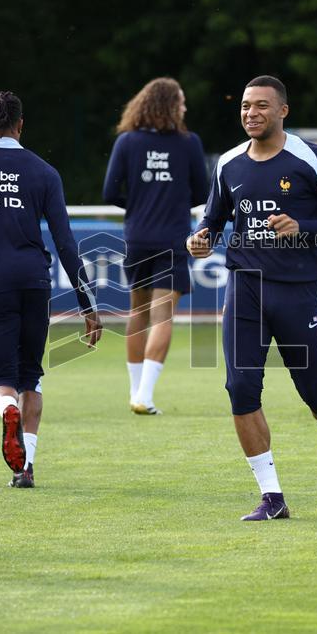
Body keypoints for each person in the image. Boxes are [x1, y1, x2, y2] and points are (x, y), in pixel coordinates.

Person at [187, 75, 317, 521]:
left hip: (299, 292)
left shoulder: (311, 158)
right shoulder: (228, 163)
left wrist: (303, 228)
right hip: (244, 287)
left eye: (261, 105)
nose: (251, 113)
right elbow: (212, 221)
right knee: (240, 388)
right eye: (246, 106)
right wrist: (200, 240)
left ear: (283, 110)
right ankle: (272, 497)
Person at [0, 91, 102, 489]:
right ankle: (25, 466)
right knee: (31, 376)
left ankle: (7, 408)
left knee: (1, 380)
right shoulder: (44, 172)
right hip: (35, 280)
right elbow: (66, 242)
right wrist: (88, 305)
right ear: (20, 125)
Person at [102, 77, 208, 415]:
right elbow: (202, 194)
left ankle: (136, 393)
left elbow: (110, 192)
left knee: (138, 313)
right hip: (173, 239)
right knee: (163, 317)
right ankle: (144, 396)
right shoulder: (188, 143)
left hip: (137, 238)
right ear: (170, 105)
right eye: (182, 102)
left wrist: (140, 202)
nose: (185, 108)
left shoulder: (126, 142)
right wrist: (173, 200)